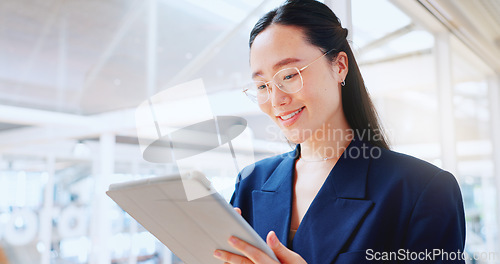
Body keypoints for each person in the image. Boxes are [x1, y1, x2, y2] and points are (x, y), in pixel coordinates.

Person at [213, 0, 466, 263]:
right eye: (262, 85)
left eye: (288, 75)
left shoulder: (423, 189)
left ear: (340, 66)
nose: (276, 100)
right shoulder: (251, 183)